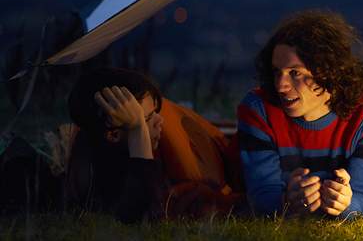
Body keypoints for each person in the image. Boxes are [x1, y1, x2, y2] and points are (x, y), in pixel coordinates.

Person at [237, 10, 363, 217]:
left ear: (329, 72)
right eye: (277, 72)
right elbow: (261, 197)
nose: (281, 85)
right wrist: (286, 201)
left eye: (295, 73)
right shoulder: (258, 109)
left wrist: (345, 203)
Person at [66, 67, 244, 222]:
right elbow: (137, 213)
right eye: (148, 119)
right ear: (113, 135)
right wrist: (138, 130)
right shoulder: (92, 170)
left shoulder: (164, 146)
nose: (161, 121)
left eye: (155, 112)